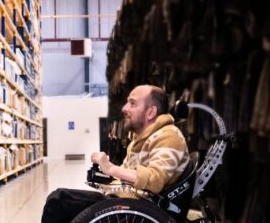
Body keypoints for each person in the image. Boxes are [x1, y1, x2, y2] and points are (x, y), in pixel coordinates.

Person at [41, 85, 190, 222]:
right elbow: (128, 173)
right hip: (124, 201)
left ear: (150, 112)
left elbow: (155, 179)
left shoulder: (168, 136)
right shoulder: (142, 139)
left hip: (136, 211)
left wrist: (111, 168)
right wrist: (106, 176)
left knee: (59, 201)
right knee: (60, 201)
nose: (125, 108)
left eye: (132, 103)